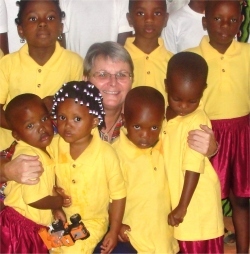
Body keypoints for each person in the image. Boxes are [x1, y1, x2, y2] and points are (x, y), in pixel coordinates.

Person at [1, 42, 217, 185]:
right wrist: (9, 171)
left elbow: (181, 154)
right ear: (86, 79)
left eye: (122, 74)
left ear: (132, 80)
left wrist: (210, 148)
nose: (113, 83)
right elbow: (10, 158)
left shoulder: (148, 122)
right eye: (102, 74)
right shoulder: (59, 124)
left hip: (129, 225)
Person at [187, 1, 250, 253]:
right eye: (217, 19)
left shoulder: (247, 54)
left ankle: (244, 250)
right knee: (208, 200)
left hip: (243, 133)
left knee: (242, 200)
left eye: (232, 20)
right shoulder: (192, 57)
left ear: (240, 23)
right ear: (204, 21)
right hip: (209, 136)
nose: (225, 26)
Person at [49, 81, 126, 254]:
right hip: (59, 217)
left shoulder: (106, 154)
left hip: (92, 221)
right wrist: (55, 203)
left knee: (73, 251)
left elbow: (119, 195)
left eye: (77, 119)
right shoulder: (53, 146)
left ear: (94, 121)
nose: (67, 125)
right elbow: (46, 180)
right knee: (51, 247)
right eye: (62, 117)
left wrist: (114, 231)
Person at [0, 0, 83, 151]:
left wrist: (57, 104)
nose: (42, 23)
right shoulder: (7, 64)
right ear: (21, 30)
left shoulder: (74, 62)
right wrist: (26, 128)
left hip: (58, 149)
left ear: (60, 27)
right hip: (13, 148)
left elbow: (78, 108)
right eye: (33, 18)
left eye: (50, 18)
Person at [162, 52, 224, 253]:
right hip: (177, 201)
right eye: (177, 98)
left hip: (195, 206)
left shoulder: (197, 121)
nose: (183, 107)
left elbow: (193, 168)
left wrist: (182, 206)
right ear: (166, 86)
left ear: (203, 91)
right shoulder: (162, 115)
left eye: (192, 101)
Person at [0, 93, 71, 253]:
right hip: (20, 228)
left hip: (33, 226)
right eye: (30, 126)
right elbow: (33, 199)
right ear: (17, 135)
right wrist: (57, 202)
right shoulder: (30, 157)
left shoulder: (42, 150)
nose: (41, 127)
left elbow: (42, 188)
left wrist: (54, 210)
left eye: (44, 119)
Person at [112, 86, 179, 253]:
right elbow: (106, 196)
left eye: (154, 128)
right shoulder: (115, 154)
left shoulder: (166, 143)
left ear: (162, 122)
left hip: (165, 239)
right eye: (137, 127)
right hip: (133, 238)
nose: (145, 135)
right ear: (124, 120)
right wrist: (116, 225)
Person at [125, 0, 172, 103]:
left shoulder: (174, 64)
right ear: (129, 19)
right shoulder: (118, 61)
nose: (149, 19)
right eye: (140, 13)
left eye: (157, 13)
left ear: (166, 19)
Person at [59, 0, 133, 59]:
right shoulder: (64, 1)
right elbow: (60, 36)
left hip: (108, 67)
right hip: (75, 67)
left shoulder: (121, 1)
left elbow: (124, 40)